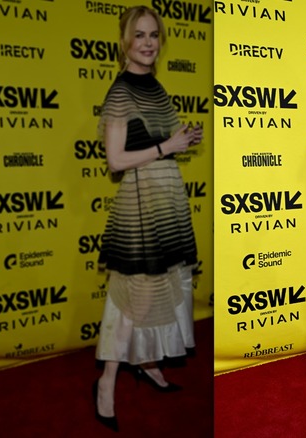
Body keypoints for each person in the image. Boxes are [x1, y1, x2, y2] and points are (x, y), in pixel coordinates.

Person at [93, 5, 203, 432]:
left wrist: (179, 141)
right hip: (139, 206)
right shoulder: (121, 91)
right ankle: (106, 382)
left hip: (165, 198)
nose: (148, 43)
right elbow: (115, 160)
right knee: (133, 297)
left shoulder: (154, 86)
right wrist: (167, 147)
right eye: (139, 35)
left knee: (161, 289)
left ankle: (147, 362)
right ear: (125, 41)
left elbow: (155, 143)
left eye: (153, 35)